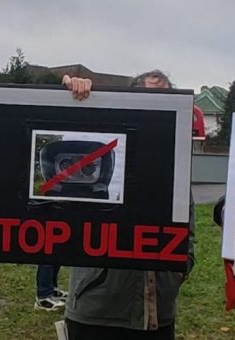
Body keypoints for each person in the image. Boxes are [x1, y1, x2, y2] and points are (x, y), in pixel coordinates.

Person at [61, 70, 195, 340]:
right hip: (96, 311)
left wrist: (178, 270)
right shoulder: (97, 153)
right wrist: (79, 100)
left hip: (156, 314)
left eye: (164, 101)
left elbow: (187, 232)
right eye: (148, 99)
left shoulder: (174, 167)